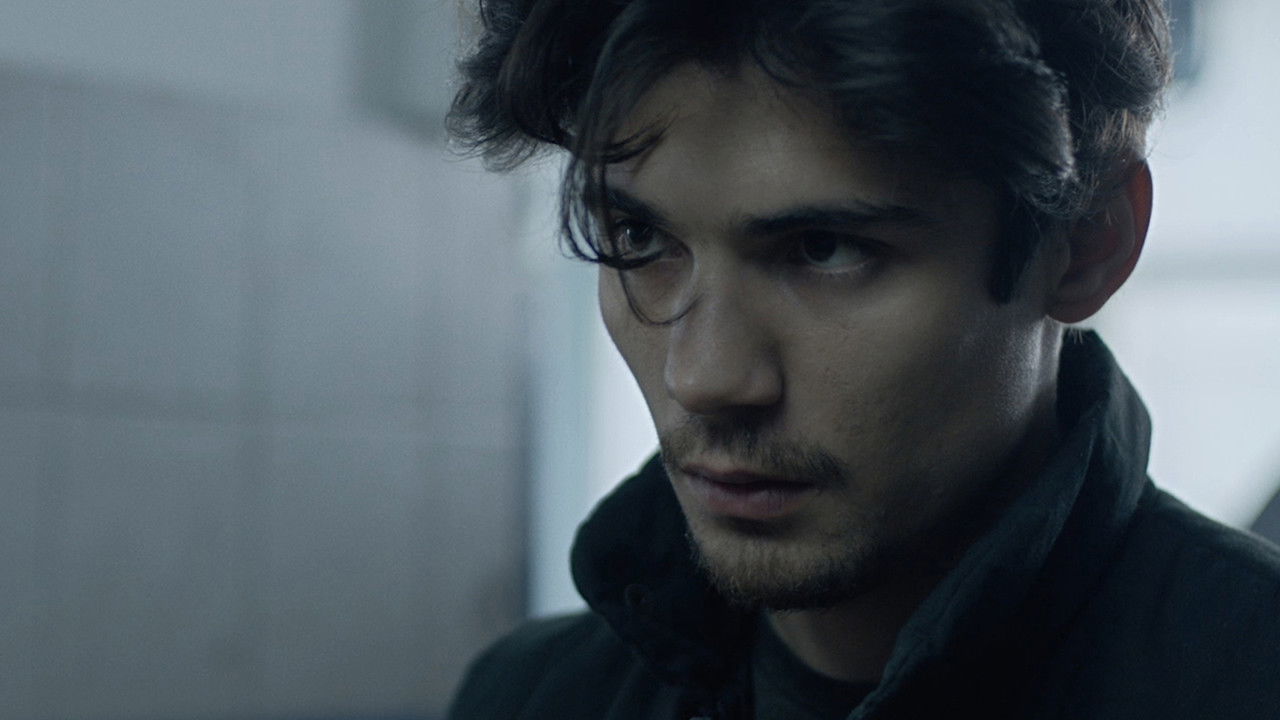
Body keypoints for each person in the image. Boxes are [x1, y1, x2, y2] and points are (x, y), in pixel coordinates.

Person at [446, 1, 1280, 718]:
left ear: (1089, 244)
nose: (702, 378)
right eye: (639, 238)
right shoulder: (530, 697)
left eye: (825, 248)